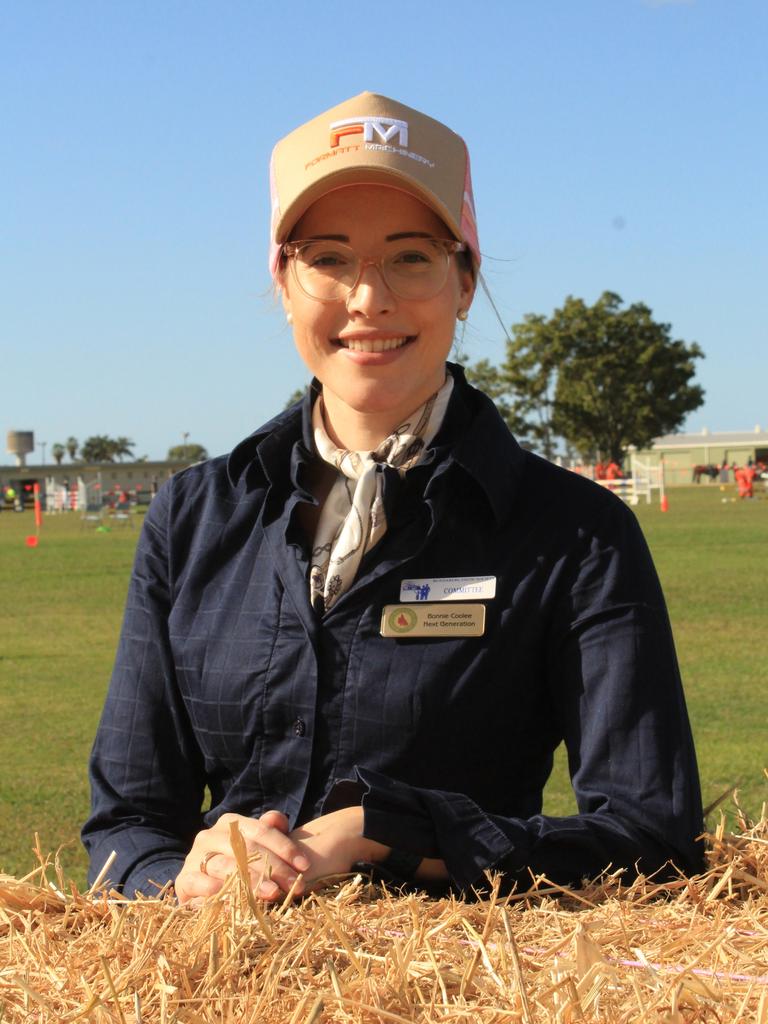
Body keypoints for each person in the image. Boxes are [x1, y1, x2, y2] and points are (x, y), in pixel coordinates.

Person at [83, 91, 704, 903]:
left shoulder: (579, 537)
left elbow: (651, 838)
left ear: (465, 279)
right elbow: (124, 826)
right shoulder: (193, 518)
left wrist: (386, 833)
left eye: (410, 257)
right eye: (328, 258)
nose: (368, 299)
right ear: (283, 280)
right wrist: (183, 878)